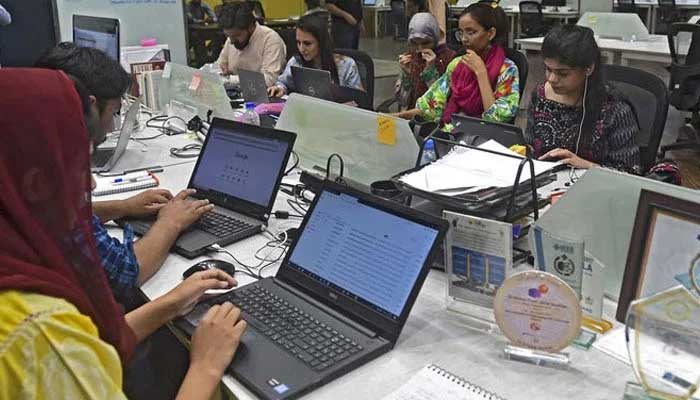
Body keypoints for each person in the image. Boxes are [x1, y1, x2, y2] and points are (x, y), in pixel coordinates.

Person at [0, 68, 247, 400]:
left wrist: (173, 302)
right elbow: (67, 344)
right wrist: (207, 365)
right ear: (36, 184)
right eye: (78, 167)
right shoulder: (38, 334)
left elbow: (98, 340)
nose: (89, 185)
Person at [35, 44, 214, 303]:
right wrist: (170, 222)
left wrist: (123, 206)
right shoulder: (43, 169)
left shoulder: (25, 143)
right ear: (88, 106)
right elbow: (124, 273)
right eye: (114, 113)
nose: (111, 127)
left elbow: (61, 218)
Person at [525, 25, 641, 174]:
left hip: (594, 189)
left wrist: (587, 166)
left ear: (588, 69)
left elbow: (630, 173)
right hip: (543, 183)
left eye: (563, 73)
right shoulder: (540, 94)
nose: (552, 79)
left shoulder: (615, 109)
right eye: (548, 69)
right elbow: (529, 145)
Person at [397, 3, 520, 127]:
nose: (464, 39)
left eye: (471, 32)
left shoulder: (507, 69)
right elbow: (430, 107)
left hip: (484, 139)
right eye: (461, 33)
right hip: (451, 135)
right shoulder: (458, 64)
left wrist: (481, 73)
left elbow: (496, 121)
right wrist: (395, 117)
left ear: (491, 33)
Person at [268, 15, 362, 97]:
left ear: (321, 42)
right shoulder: (296, 62)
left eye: (307, 43)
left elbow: (360, 100)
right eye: (298, 42)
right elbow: (283, 82)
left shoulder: (346, 65)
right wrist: (280, 88)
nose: (301, 49)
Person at [394, 13, 455, 112]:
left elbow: (443, 103)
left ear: (435, 38)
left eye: (426, 43)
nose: (420, 49)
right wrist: (406, 76)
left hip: (437, 119)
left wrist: (430, 74)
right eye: (414, 43)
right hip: (412, 116)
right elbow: (402, 101)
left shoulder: (449, 58)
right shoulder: (410, 57)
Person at [217, 2, 286, 87]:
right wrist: (222, 71)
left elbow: (269, 79)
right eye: (228, 36)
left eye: (236, 36)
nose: (231, 41)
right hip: (236, 93)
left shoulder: (270, 39)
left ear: (250, 27)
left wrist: (230, 79)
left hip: (263, 96)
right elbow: (218, 66)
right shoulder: (232, 38)